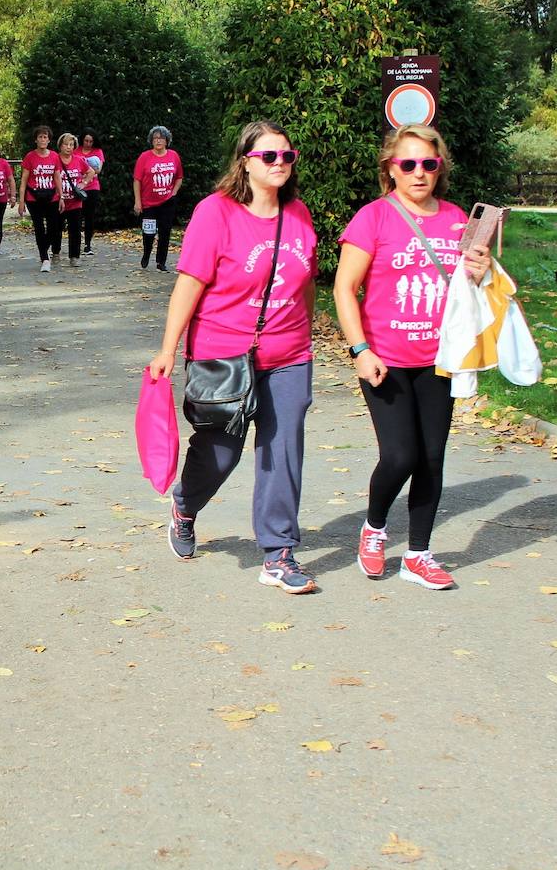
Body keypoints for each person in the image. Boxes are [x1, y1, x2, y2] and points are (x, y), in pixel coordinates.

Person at [149, 121, 319, 594]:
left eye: (287, 155)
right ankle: (186, 504)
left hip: (288, 353)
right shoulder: (215, 213)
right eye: (269, 156)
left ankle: (279, 552)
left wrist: (307, 336)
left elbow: (303, 282)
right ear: (245, 161)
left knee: (283, 449)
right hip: (222, 352)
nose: (280, 163)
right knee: (220, 455)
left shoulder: (299, 214)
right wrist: (168, 349)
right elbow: (190, 284)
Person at [334, 123, 493, 590]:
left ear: (439, 167)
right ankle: (375, 527)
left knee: (432, 458)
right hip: (384, 357)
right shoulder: (373, 218)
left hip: (438, 361)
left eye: (429, 163)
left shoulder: (457, 219)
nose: (419, 172)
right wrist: (359, 349)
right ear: (391, 169)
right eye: (408, 164)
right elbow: (345, 288)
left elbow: (468, 289)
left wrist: (481, 272)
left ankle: (419, 554)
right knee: (400, 455)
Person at [134, 125, 184, 271]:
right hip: (148, 203)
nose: (158, 141)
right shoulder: (144, 157)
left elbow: (179, 177)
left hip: (167, 201)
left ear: (167, 141)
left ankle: (161, 261)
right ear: (151, 141)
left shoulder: (174, 156)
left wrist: (174, 192)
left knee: (165, 232)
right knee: (148, 233)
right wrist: (138, 201)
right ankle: (146, 254)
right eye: (155, 138)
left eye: (161, 138)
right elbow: (137, 180)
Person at [17, 125, 61, 272]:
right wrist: (21, 201)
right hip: (33, 197)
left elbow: (57, 177)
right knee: (39, 228)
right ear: (36, 140)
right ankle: (45, 258)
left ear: (49, 140)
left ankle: (44, 246)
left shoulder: (55, 156)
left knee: (54, 227)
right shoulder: (30, 157)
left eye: (45, 137)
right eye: (40, 137)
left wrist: (62, 197)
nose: (43, 139)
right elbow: (23, 180)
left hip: (51, 195)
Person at [55, 132, 96, 267]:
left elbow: (91, 172)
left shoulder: (78, 160)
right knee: (56, 228)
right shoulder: (55, 159)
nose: (68, 147)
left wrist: (83, 183)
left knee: (75, 229)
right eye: (66, 144)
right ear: (60, 146)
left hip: (75, 202)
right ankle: (55, 252)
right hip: (58, 200)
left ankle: (74, 256)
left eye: (71, 145)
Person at [77, 128, 105, 255]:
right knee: (76, 215)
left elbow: (98, 169)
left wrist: (85, 166)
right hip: (78, 186)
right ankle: (76, 242)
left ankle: (88, 244)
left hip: (92, 186)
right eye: (86, 141)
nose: (88, 143)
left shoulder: (97, 151)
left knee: (89, 216)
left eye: (90, 141)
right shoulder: (76, 151)